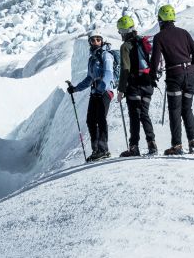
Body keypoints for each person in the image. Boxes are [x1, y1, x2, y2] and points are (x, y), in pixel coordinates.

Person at [149, 4, 194, 155]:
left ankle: (177, 145)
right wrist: (192, 68)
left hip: (174, 76)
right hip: (190, 75)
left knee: (175, 111)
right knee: (187, 109)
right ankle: (193, 142)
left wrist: (152, 77)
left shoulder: (159, 37)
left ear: (161, 20)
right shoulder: (184, 33)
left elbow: (155, 61)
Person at [67, 30, 116, 162]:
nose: (95, 42)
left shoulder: (106, 55)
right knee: (90, 120)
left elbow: (108, 74)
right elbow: (89, 78)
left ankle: (103, 150)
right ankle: (96, 150)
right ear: (89, 42)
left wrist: (101, 89)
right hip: (95, 92)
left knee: (101, 119)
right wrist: (75, 89)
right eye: (93, 40)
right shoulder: (92, 59)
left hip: (105, 92)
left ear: (102, 41)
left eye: (98, 39)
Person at [115, 15, 158, 156]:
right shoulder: (143, 42)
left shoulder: (125, 47)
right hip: (148, 83)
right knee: (144, 114)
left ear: (123, 31)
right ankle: (152, 144)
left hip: (134, 85)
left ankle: (134, 147)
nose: (120, 34)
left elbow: (125, 69)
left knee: (134, 115)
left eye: (120, 30)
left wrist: (121, 90)